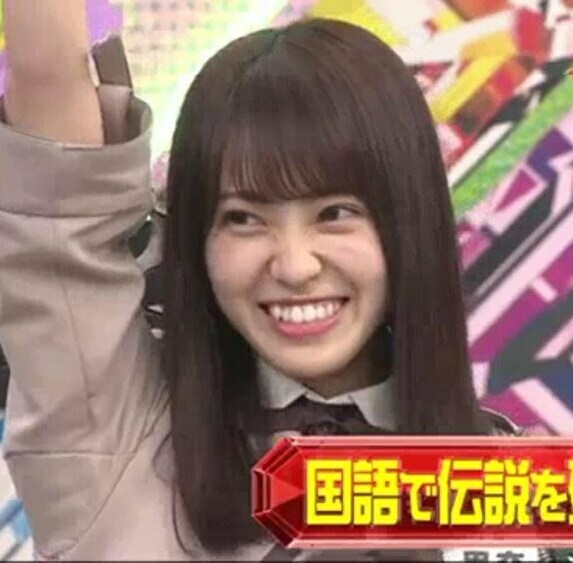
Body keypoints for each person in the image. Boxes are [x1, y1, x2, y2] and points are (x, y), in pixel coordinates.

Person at [0, 1, 545, 561]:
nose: (294, 266)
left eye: (334, 213)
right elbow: (57, 183)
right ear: (197, 240)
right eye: (243, 218)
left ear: (409, 222)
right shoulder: (119, 427)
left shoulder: (513, 490)